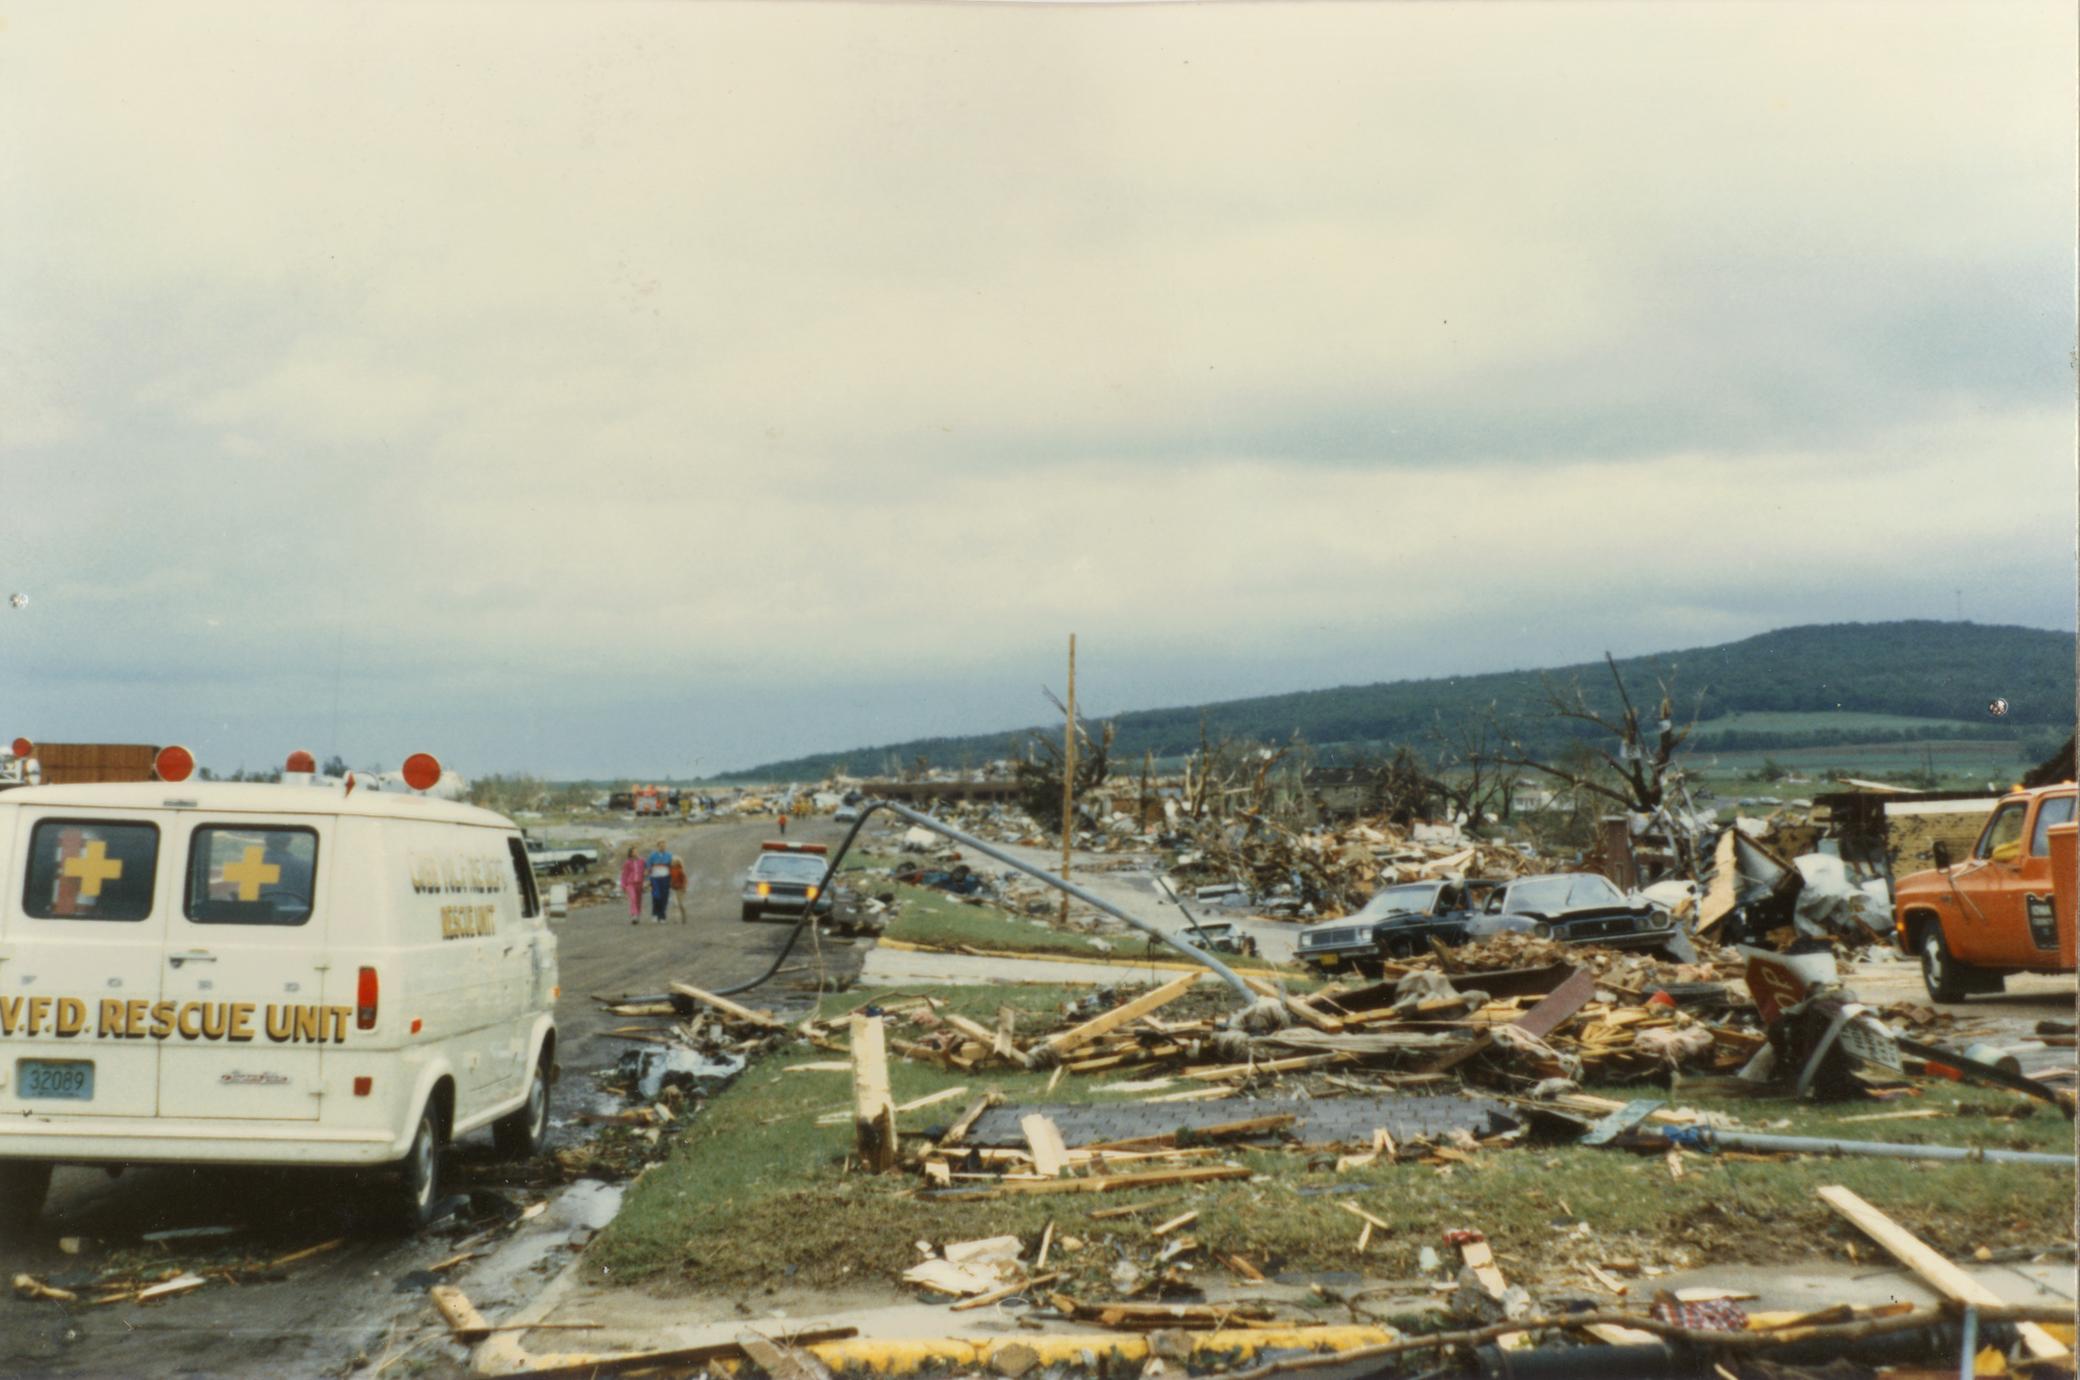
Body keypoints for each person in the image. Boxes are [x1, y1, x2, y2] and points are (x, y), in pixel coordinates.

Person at [647, 840, 673, 923]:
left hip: (665, 878)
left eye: (664, 846)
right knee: (656, 896)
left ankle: (662, 916)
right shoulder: (652, 856)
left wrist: (672, 879)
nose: (663, 847)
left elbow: (672, 867)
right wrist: (648, 879)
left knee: (664, 897)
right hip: (655, 878)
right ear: (658, 846)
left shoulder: (669, 855)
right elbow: (648, 867)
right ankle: (655, 914)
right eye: (661, 846)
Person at [619, 847, 645, 925]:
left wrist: (647, 876)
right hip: (630, 883)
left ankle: (638, 915)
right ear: (630, 853)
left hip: (639, 883)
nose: (636, 853)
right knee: (633, 898)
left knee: (638, 900)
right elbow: (624, 874)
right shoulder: (628, 863)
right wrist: (623, 885)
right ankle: (634, 915)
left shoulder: (642, 861)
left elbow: (647, 868)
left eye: (636, 851)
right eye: (634, 852)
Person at [669, 854, 688, 923]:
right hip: (673, 888)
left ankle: (683, 916)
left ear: (678, 862)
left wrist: (684, 887)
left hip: (680, 889)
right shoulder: (670, 869)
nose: (673, 862)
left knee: (680, 904)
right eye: (672, 861)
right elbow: (670, 878)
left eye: (674, 861)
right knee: (675, 904)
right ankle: (675, 918)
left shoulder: (680, 870)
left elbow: (684, 879)